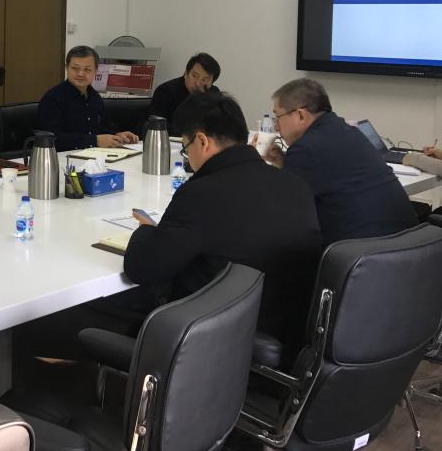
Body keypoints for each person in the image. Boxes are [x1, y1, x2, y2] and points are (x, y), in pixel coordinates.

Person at [124, 92, 322, 356]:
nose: (188, 156)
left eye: (186, 147)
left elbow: (142, 269)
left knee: (132, 317)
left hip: (210, 341)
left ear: (202, 141)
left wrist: (147, 231)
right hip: (289, 338)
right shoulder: (295, 185)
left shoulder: (201, 193)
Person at [264, 78, 417, 244]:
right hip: (408, 242)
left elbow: (282, 210)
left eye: (277, 117)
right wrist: (283, 161)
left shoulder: (305, 148)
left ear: (301, 115)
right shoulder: (351, 132)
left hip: (364, 251)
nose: (276, 127)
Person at [37, 46, 139, 151]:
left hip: (94, 155)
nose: (81, 74)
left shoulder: (95, 97)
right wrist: (94, 141)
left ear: (96, 71)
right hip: (63, 157)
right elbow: (51, 139)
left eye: (87, 69)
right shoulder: (52, 99)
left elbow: (100, 130)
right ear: (67, 68)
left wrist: (117, 136)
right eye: (75, 68)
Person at [148, 52, 221, 136]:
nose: (198, 83)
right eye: (194, 76)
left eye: (204, 80)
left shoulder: (214, 94)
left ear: (212, 83)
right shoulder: (165, 91)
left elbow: (220, 125)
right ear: (186, 73)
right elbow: (156, 125)